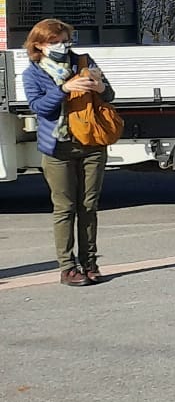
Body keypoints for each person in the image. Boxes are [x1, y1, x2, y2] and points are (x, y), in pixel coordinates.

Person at [21, 18, 115, 286]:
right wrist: (63, 89)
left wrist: (100, 88)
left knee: (89, 205)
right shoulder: (33, 73)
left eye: (65, 40)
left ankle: (90, 262)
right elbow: (39, 108)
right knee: (65, 207)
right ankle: (67, 267)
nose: (62, 46)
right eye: (54, 42)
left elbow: (109, 95)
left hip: (91, 142)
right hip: (57, 148)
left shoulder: (83, 62)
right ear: (39, 45)